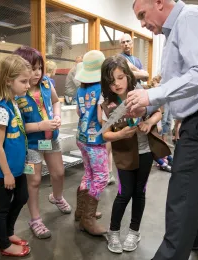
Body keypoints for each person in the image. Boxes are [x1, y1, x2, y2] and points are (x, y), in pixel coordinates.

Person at [129, 1, 198, 259]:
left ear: (159, 2)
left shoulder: (191, 18)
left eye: (143, 15)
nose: (143, 23)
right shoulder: (178, 29)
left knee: (185, 188)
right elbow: (181, 82)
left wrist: (151, 95)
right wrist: (151, 104)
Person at [100, 55, 167, 254]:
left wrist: (149, 122)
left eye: (121, 77)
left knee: (140, 192)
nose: (117, 84)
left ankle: (134, 231)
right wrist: (120, 134)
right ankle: (113, 231)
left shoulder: (142, 94)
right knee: (124, 192)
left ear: (129, 76)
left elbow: (159, 112)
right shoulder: (107, 104)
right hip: (124, 156)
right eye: (112, 81)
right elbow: (104, 134)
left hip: (146, 152)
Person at [14, 46, 72, 239]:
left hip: (51, 140)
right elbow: (19, 126)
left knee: (59, 172)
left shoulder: (47, 83)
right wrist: (41, 125)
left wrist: (56, 116)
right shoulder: (17, 93)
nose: (37, 73)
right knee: (35, 180)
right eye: (32, 68)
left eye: (39, 67)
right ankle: (35, 219)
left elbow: (56, 101)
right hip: (31, 145)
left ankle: (57, 197)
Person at [0, 55, 32, 257]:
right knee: (2, 207)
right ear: (8, 81)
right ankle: (4, 244)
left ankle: (9, 232)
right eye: (23, 81)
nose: (28, 85)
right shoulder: (1, 109)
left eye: (28, 81)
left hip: (17, 166)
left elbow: (17, 136)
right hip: (6, 171)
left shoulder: (14, 104)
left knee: (22, 197)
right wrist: (6, 174)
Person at [74, 50, 108, 235]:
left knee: (88, 174)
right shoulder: (102, 90)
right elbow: (102, 118)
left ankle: (81, 211)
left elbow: (80, 113)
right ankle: (89, 218)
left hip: (81, 137)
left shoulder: (81, 89)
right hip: (96, 140)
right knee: (102, 176)